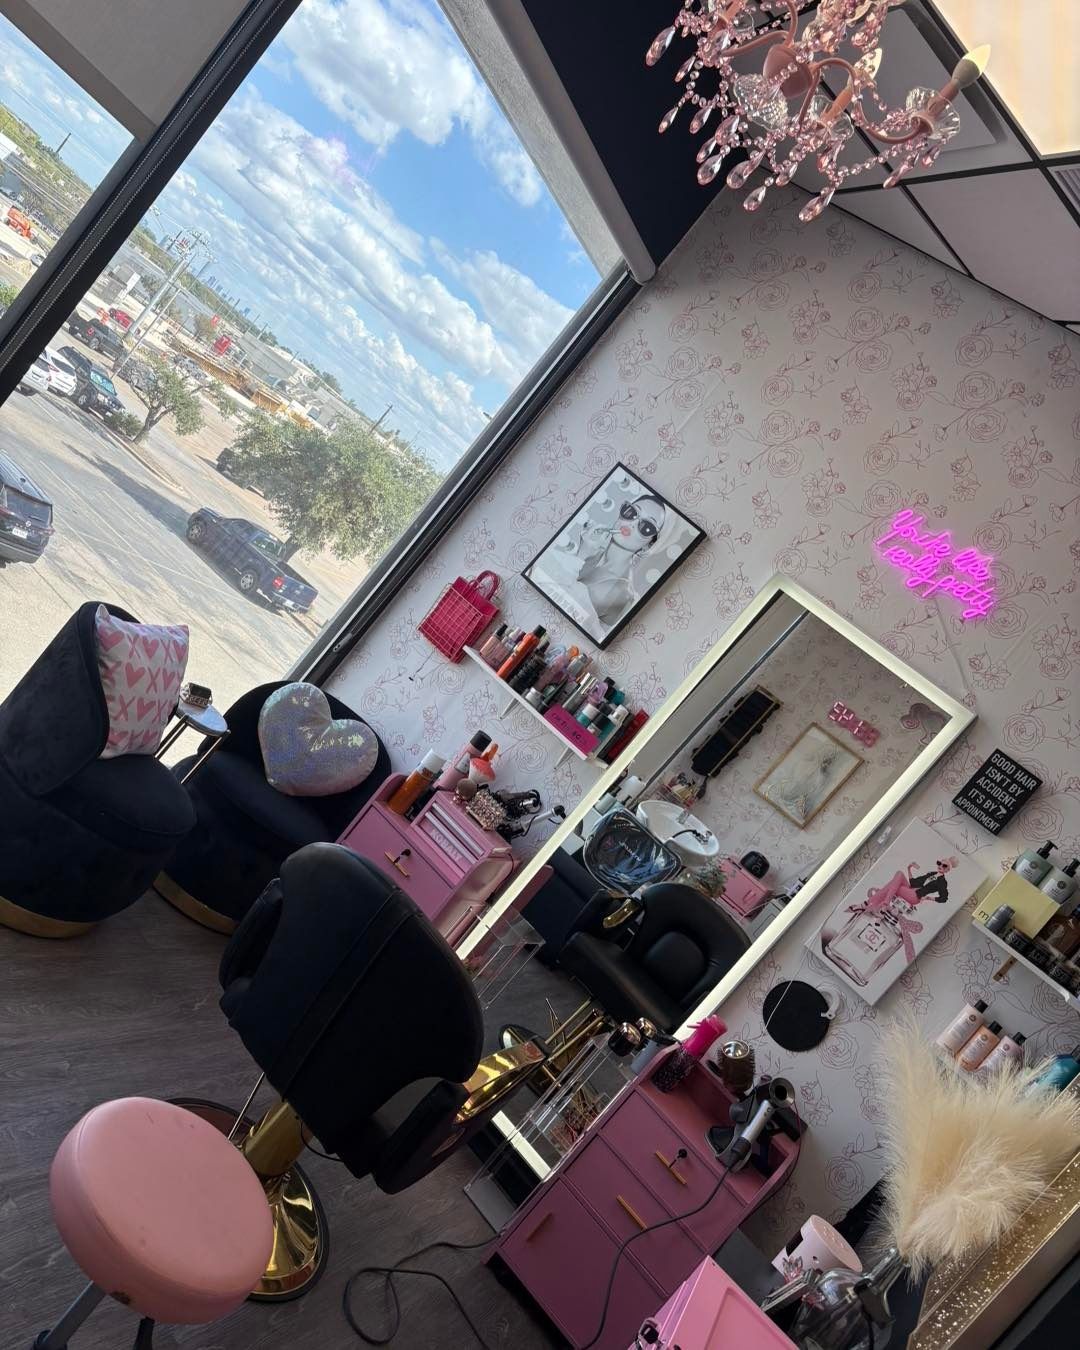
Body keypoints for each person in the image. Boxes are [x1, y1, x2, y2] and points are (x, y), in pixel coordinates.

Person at [564, 494, 667, 629]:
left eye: (647, 527)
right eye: (631, 512)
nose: (633, 524)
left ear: (648, 546)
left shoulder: (622, 593)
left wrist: (580, 556)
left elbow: (566, 604)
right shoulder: (592, 554)